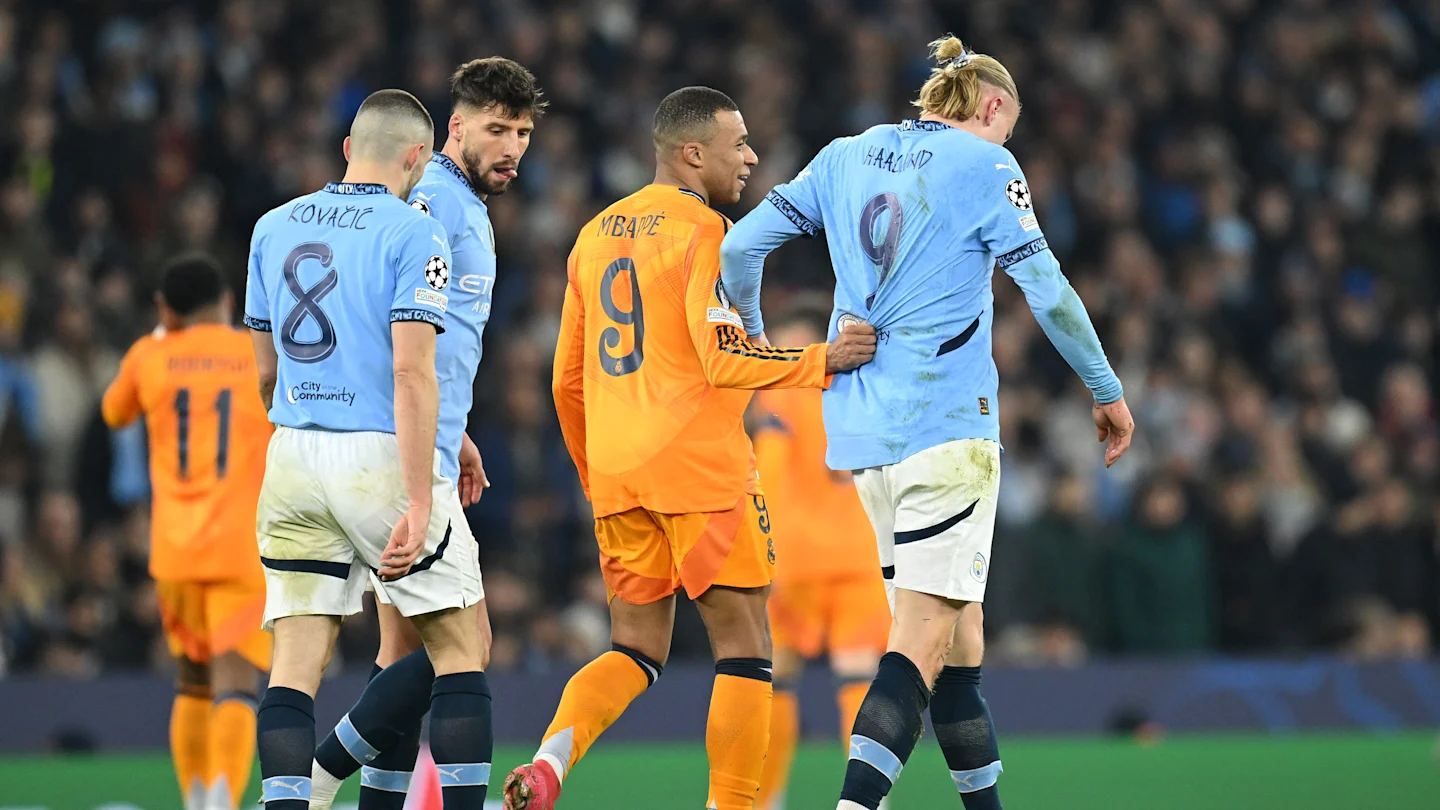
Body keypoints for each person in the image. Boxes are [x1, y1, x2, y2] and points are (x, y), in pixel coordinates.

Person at [718, 37, 1136, 810]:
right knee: (919, 640)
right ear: (993, 106)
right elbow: (1046, 289)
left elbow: (740, 246)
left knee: (958, 643)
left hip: (864, 441)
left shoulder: (845, 154)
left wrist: (755, 339)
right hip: (945, 431)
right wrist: (1105, 388)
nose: (1007, 141)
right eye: (1009, 127)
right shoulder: (987, 165)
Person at [501, 86, 877, 810]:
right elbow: (724, 358)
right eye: (740, 145)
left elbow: (564, 382)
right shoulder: (705, 231)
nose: (752, 158)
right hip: (699, 470)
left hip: (619, 475)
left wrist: (595, 475)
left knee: (634, 650)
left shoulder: (592, 237)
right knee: (747, 650)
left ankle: (549, 763)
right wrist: (821, 360)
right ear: (694, 153)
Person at [305, 58, 545, 810]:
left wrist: (457, 428)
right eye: (497, 129)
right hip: (406, 458)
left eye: (523, 133)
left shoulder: (458, 202)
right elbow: (386, 325)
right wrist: (424, 435)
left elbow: (434, 339)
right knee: (466, 647)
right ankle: (313, 780)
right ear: (456, 127)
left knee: (402, 651)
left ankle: (343, 792)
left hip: (422, 441)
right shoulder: (432, 202)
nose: (512, 148)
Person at [244, 89, 488, 810]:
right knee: (461, 649)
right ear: (419, 157)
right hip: (378, 457)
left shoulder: (272, 225)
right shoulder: (416, 233)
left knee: (294, 666)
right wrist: (418, 499)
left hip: (292, 452)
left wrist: (304, 417)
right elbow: (412, 372)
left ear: (349, 148)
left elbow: (264, 371)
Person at [102, 253, 274, 810]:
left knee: (192, 682)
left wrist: (162, 334)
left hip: (174, 549)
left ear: (165, 308)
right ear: (226, 300)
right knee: (236, 685)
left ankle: (196, 798)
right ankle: (222, 798)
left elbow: (113, 412)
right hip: (240, 547)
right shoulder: (256, 352)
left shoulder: (149, 355)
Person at [750, 302, 892, 810]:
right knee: (860, 680)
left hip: (794, 560)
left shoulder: (781, 391)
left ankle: (766, 800)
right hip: (862, 558)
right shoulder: (864, 388)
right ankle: (870, 802)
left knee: (775, 682)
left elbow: (769, 470)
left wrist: (764, 550)